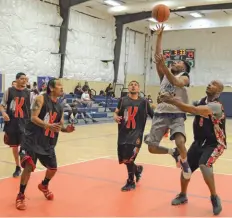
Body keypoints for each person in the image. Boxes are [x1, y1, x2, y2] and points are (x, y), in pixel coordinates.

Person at [159, 80, 226, 216]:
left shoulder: (216, 106)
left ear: (218, 92)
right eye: (209, 83)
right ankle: (183, 195)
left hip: (214, 143)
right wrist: (168, 101)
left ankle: (214, 197)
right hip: (199, 142)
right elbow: (187, 106)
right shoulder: (201, 100)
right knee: (186, 167)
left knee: (204, 165)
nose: (209, 84)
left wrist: (172, 100)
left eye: (213, 85)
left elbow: (193, 110)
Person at [15, 78, 75, 210]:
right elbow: (33, 117)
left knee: (53, 169)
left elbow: (59, 126)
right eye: (59, 85)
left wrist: (67, 130)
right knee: (29, 166)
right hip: (32, 139)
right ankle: (20, 195)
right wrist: (47, 125)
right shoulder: (40, 99)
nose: (62, 88)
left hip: (47, 143)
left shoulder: (60, 106)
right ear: (51, 88)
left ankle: (44, 185)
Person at [144, 24, 192, 180]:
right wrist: (159, 36)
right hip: (160, 113)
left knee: (179, 141)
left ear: (184, 68)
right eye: (176, 61)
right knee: (152, 147)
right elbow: (158, 57)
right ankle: (173, 153)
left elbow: (177, 83)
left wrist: (164, 66)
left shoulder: (185, 77)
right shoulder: (164, 75)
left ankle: (185, 164)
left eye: (180, 63)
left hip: (177, 114)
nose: (176, 62)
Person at [114, 81, 154, 191]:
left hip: (136, 135)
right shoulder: (122, 100)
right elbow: (116, 112)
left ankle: (131, 181)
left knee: (129, 158)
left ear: (139, 88)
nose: (133, 86)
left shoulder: (144, 102)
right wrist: (115, 117)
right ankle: (137, 170)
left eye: (135, 84)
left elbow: (153, 116)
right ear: (128, 87)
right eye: (131, 84)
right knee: (125, 159)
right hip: (123, 134)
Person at [0, 72, 31, 177]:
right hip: (12, 122)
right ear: (17, 79)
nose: (24, 80)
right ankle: (18, 167)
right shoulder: (9, 91)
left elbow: (33, 108)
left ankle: (24, 156)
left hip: (24, 122)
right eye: (22, 79)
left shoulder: (29, 93)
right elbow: (2, 105)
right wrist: (4, 113)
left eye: (26, 79)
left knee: (24, 145)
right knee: (14, 147)